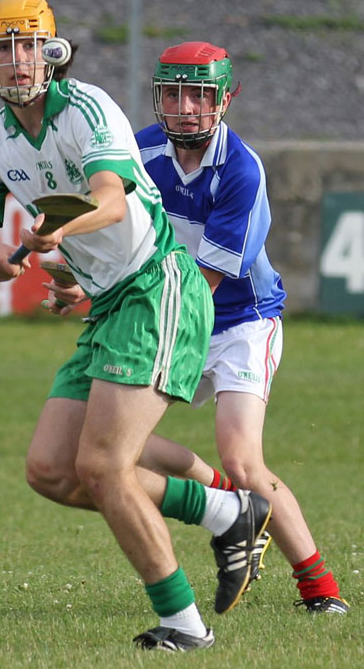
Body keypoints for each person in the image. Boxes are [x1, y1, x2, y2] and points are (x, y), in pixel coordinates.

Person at [0, 0, 272, 653]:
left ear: (51, 52)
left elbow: (108, 197)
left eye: (28, 45)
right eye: (2, 48)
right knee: (50, 469)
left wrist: (56, 230)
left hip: (157, 286)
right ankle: (224, 509)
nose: (16, 60)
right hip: (109, 304)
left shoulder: (88, 107)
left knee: (102, 464)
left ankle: (182, 624)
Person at [132, 41, 349, 615]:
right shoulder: (140, 150)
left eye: (200, 95)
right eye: (173, 93)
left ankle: (319, 590)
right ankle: (231, 505)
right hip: (173, 313)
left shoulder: (242, 172)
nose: (184, 107)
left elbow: (205, 283)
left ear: (227, 99)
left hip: (238, 322)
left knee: (243, 459)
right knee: (113, 444)